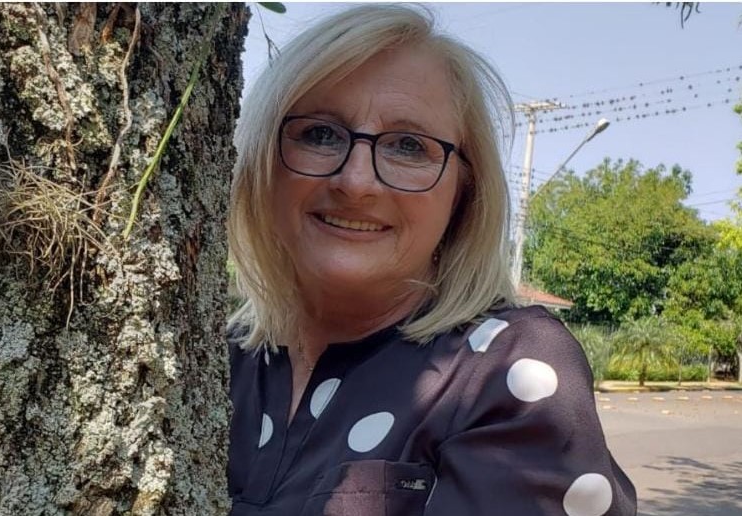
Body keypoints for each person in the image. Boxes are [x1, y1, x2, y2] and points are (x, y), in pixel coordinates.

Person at [226, 5, 636, 515]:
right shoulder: (209, 355)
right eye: (320, 134)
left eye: (408, 146)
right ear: (262, 161)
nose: (356, 182)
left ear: (464, 190)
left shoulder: (502, 370)